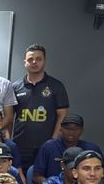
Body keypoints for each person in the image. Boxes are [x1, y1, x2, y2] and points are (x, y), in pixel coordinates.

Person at [9, 44, 68, 172]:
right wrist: (9, 142)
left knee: (44, 183)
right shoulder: (15, 87)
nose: (34, 62)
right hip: (20, 146)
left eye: (38, 59)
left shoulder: (56, 86)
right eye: (30, 59)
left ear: (44, 61)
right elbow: (9, 117)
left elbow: (62, 115)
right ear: (25, 62)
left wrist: (54, 139)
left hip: (46, 146)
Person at [29, 113, 99, 184]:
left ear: (82, 130)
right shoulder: (48, 147)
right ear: (61, 129)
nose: (71, 132)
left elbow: (103, 178)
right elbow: (36, 177)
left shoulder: (92, 149)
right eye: (67, 128)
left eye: (76, 129)